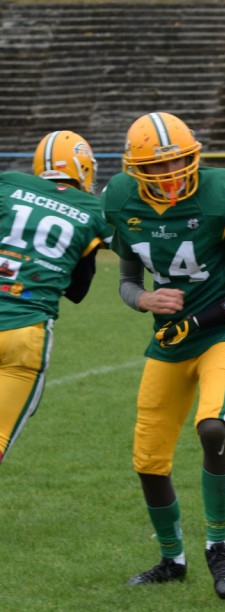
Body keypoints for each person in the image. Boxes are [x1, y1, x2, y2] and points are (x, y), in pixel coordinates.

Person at [103, 112, 225, 599]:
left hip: (218, 334)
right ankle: (171, 558)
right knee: (148, 459)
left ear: (193, 156)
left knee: (213, 426)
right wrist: (145, 300)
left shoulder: (221, 195)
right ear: (136, 170)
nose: (170, 174)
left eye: (178, 162)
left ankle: (217, 546)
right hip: (168, 343)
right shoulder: (119, 199)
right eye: (157, 167)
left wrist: (204, 321)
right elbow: (128, 281)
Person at [0, 131, 111, 463]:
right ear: (84, 169)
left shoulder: (8, 184)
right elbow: (78, 290)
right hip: (25, 329)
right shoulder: (92, 209)